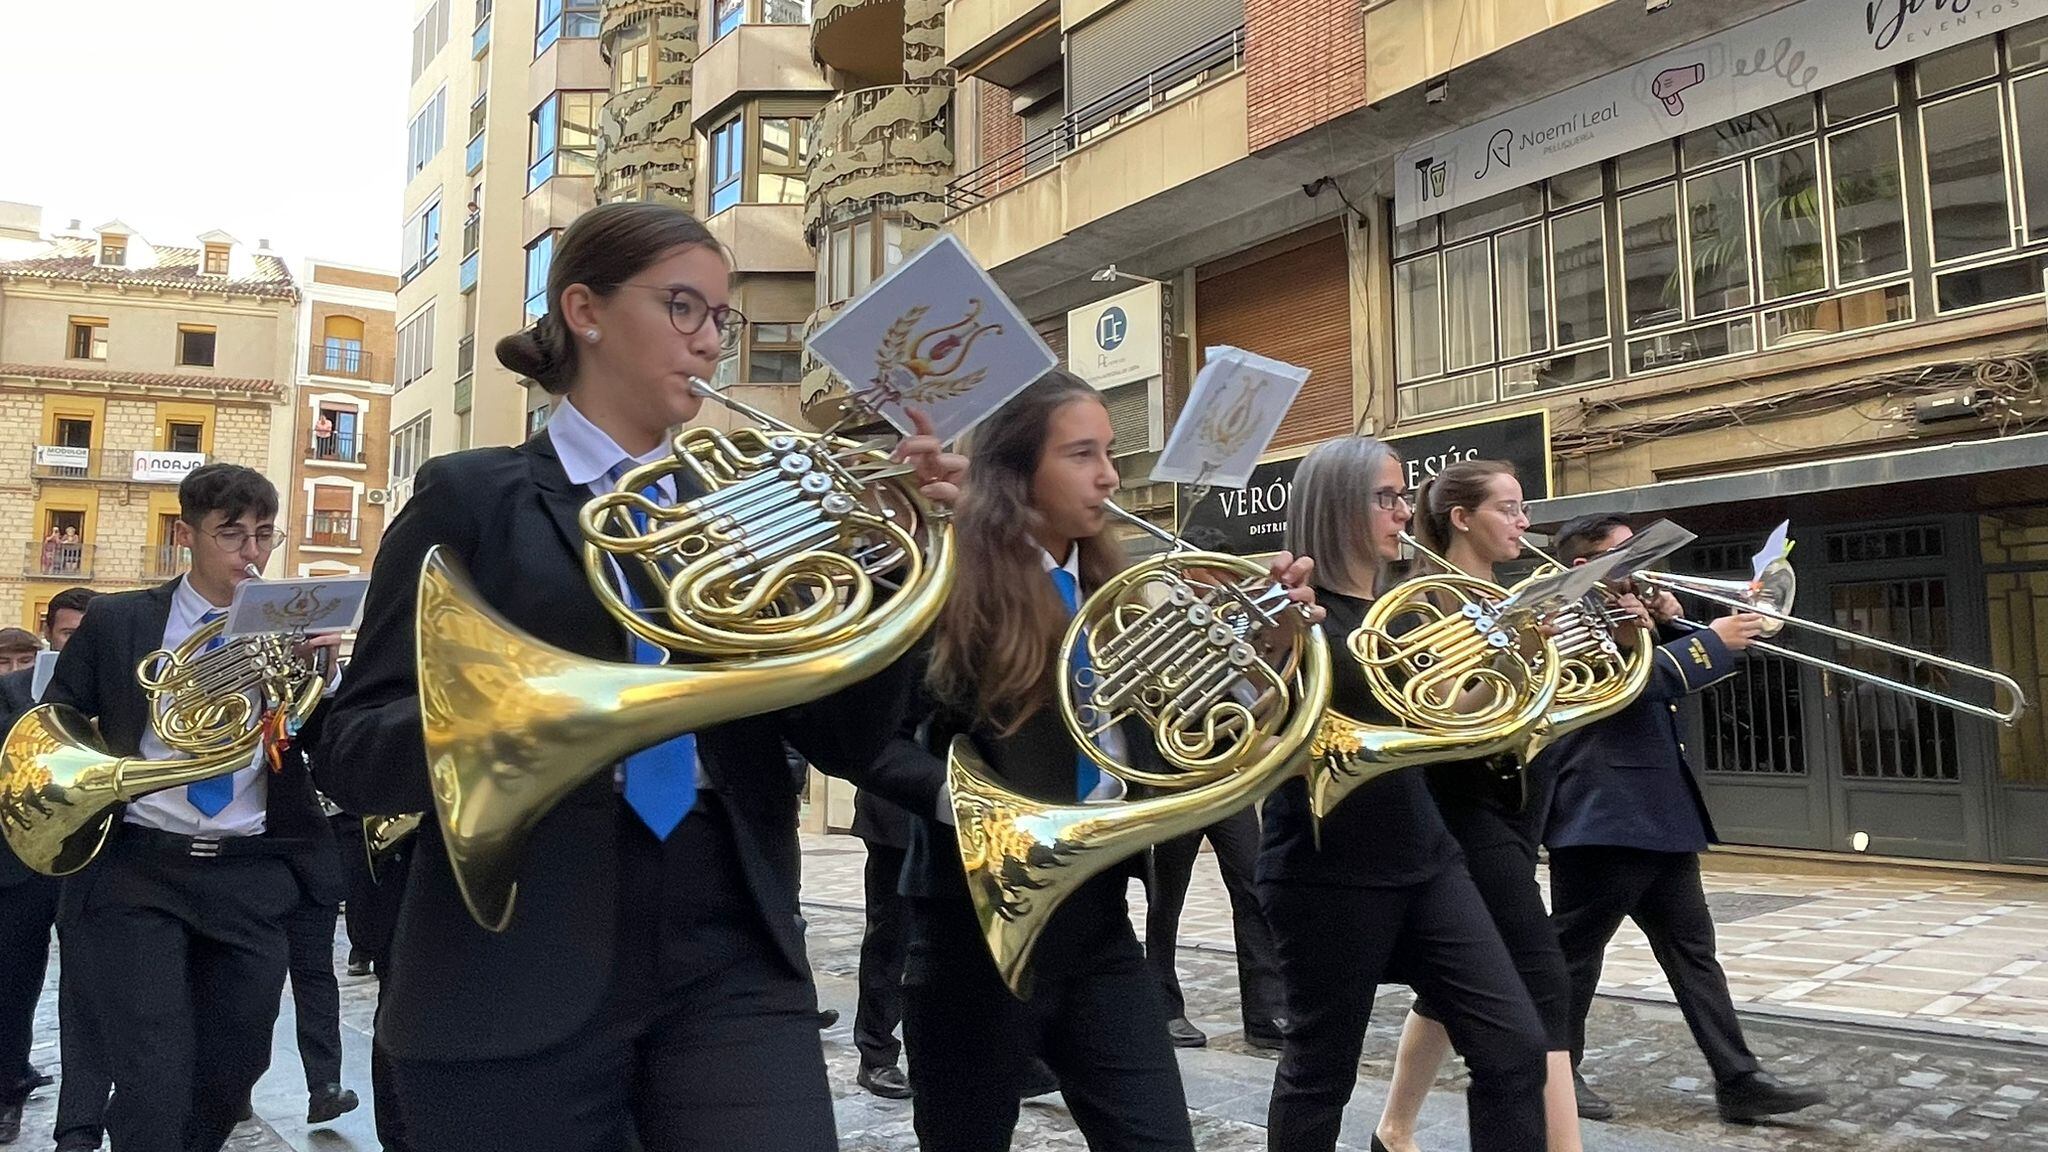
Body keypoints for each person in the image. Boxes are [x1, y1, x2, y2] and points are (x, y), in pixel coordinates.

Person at [315, 201, 963, 1152]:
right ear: (585, 309)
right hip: (520, 934)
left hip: (728, 923)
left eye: (720, 321)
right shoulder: (471, 495)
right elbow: (353, 744)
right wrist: (519, 723)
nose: (709, 344)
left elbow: (843, 738)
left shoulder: (748, 503)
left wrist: (898, 572)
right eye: (683, 310)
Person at [881, 371, 1321, 1151]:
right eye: (1082, 454)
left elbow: (1189, 736)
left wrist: (1275, 642)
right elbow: (864, 742)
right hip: (973, 928)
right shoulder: (949, 579)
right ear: (1017, 474)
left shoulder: (1114, 592)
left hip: (1098, 919)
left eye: (1109, 453)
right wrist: (976, 810)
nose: (1110, 475)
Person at [1257, 438, 1549, 1152]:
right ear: (1337, 507)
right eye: (1386, 497)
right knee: (1320, 1073)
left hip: (1426, 856)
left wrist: (1520, 656)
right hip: (1328, 867)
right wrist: (1272, 651)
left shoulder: (1404, 610)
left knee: (1514, 1046)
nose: (1401, 511)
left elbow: (1443, 718)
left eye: (1401, 496)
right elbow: (1246, 744)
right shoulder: (1291, 612)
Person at [41, 464, 342, 1152]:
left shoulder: (289, 623)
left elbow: (320, 746)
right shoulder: (121, 620)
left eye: (263, 535)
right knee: (152, 1065)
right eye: (231, 534)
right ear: (187, 535)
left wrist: (322, 678)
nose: (251, 553)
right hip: (140, 868)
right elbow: (57, 720)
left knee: (235, 1067)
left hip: (251, 870)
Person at [1538, 515, 1828, 1125]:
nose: (1640, 565)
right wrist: (1693, 639)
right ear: (1584, 565)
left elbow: (1680, 665)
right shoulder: (1563, 620)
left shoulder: (1633, 616)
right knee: (1574, 955)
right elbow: (1628, 686)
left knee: (1694, 953)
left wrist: (1674, 625)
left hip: (1659, 811)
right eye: (1623, 554)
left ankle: (1738, 1078)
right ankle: (1554, 1076)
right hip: (1601, 812)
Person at [1375, 459, 1583, 1152]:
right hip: (1462, 807)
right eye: (1509, 508)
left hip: (1517, 802)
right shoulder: (1420, 604)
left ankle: (1394, 1130)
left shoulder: (1517, 597)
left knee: (1450, 991)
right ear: (1462, 518)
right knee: (1543, 984)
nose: (1524, 522)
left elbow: (1549, 706)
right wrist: (1508, 659)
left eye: (1524, 508)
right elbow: (1440, 722)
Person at [0, 588, 110, 1150]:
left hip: (99, 861)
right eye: (70, 636)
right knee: (14, 982)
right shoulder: (10, 693)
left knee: (94, 988)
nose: (81, 646)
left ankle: (85, 1115)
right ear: (51, 635)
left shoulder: (123, 691)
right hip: (20, 866)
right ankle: (7, 1084)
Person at [1145, 813, 1285, 1051]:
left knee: (1253, 887)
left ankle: (1265, 1014)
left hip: (1228, 785)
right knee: (1166, 896)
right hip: (1177, 791)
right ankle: (1164, 1010)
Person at [851, 787, 914, 1099]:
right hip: (898, 809)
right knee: (891, 939)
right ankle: (876, 1055)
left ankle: (1012, 1052)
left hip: (977, 816)